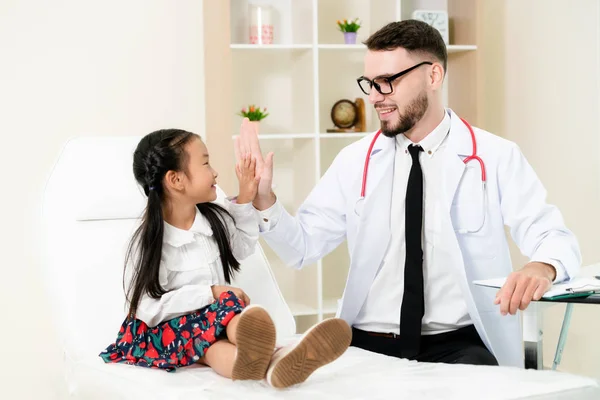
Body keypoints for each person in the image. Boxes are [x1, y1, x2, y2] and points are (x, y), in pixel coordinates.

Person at [235, 20, 581, 368]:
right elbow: (303, 249)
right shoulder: (355, 161)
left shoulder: (495, 155)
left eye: (388, 82)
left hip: (459, 344)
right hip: (367, 342)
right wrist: (265, 198)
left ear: (433, 76)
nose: (374, 97)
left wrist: (541, 266)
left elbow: (553, 235)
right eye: (370, 84)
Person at [99, 129, 352, 388]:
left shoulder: (213, 219)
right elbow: (147, 308)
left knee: (221, 330)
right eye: (206, 163)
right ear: (176, 180)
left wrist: (246, 196)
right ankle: (271, 352)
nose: (215, 172)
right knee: (212, 339)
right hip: (165, 332)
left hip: (215, 321)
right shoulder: (152, 242)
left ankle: (274, 363)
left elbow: (242, 247)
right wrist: (211, 292)